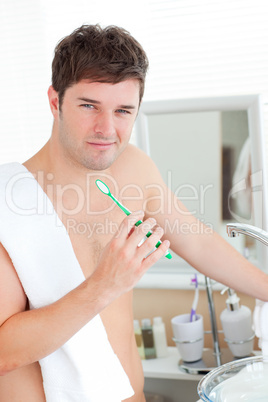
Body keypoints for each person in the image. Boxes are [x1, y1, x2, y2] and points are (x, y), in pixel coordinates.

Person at [0, 24, 268, 402]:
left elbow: (197, 241)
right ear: (54, 100)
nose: (106, 129)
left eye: (123, 110)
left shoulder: (134, 168)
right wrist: (104, 285)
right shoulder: (8, 203)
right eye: (89, 105)